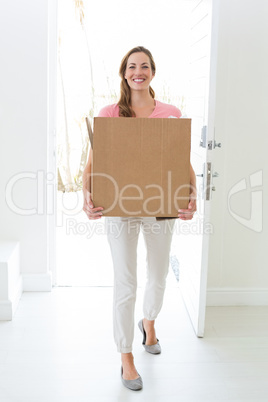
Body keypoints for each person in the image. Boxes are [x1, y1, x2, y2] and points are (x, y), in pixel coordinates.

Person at [82, 46, 197, 391]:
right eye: (132, 66)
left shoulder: (170, 114)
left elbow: (183, 163)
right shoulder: (110, 113)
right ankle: (126, 355)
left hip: (160, 207)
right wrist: (85, 195)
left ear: (152, 72)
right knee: (125, 281)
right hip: (119, 209)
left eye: (144, 66)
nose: (138, 71)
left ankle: (148, 322)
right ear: (124, 72)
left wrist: (193, 195)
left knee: (159, 276)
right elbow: (93, 162)